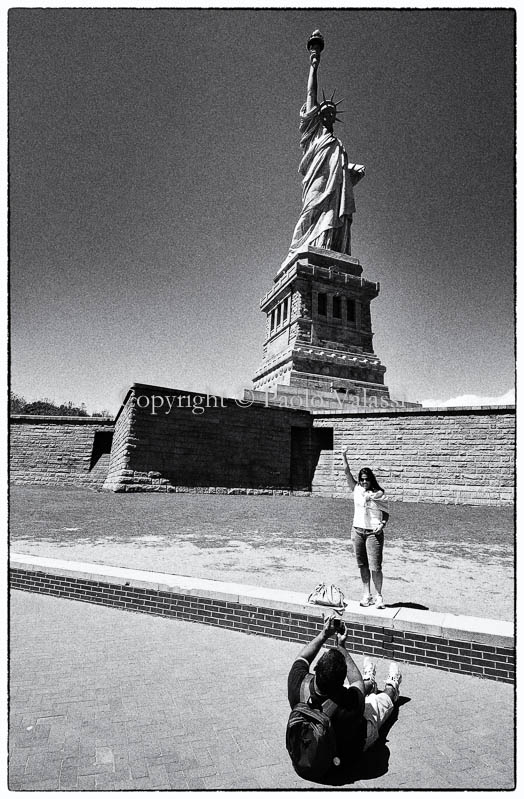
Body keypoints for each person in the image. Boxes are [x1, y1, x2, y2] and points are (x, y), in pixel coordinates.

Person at [280, 38, 365, 272]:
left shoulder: (337, 143)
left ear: (334, 117)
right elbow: (311, 94)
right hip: (316, 183)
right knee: (309, 215)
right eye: (323, 109)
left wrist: (350, 171)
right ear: (317, 115)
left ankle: (327, 250)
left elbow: (338, 169)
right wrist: (314, 65)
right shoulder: (313, 135)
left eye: (331, 111)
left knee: (332, 218)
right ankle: (296, 252)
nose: (327, 111)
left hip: (334, 188)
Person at [287, 614, 402, 782]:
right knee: (378, 702)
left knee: (361, 689)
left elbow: (302, 658)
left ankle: (370, 681)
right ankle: (393, 687)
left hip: (310, 753)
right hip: (345, 756)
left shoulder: (298, 684)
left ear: (317, 669)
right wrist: (342, 647)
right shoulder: (350, 702)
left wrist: (323, 634)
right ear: (341, 681)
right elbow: (356, 681)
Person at [342, 448, 389, 608]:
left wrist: (382, 525)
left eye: (366, 479)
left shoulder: (379, 493)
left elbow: (386, 512)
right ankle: (366, 594)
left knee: (375, 566)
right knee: (362, 565)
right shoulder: (357, 489)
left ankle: (379, 596)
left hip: (373, 533)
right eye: (361, 479)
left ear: (371, 479)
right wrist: (344, 455)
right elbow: (347, 472)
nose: (363, 482)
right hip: (357, 531)